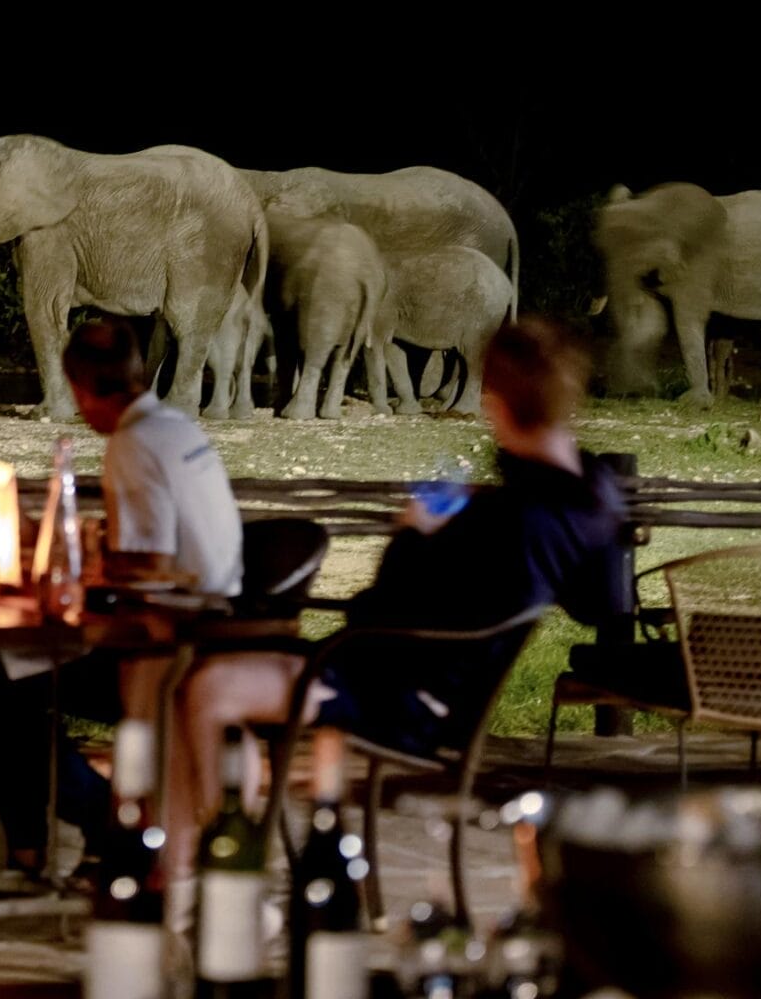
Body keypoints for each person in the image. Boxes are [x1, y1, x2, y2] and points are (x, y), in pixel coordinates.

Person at [172, 317, 627, 868]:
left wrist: (412, 531)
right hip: (434, 691)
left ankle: (217, 871)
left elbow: (381, 607)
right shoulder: (593, 499)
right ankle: (220, 857)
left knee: (206, 687)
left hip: (397, 698)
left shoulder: (499, 519)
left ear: (497, 403)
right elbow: (600, 604)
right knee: (222, 684)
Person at [0, 317, 244, 874]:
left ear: (80, 387)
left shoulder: (132, 444)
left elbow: (148, 565)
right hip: (216, 620)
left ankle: (83, 824)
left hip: (171, 642)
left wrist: (69, 562)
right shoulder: (175, 427)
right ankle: (30, 839)